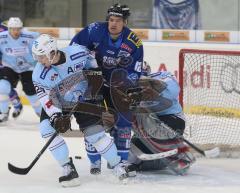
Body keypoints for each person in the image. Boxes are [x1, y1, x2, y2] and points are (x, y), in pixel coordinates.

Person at [31, 34, 133, 187]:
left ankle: (117, 165)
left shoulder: (77, 52)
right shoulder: (38, 74)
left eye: (42, 56)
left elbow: (92, 63)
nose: (39, 61)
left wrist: (95, 77)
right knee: (46, 128)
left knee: (95, 135)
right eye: (37, 57)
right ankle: (67, 168)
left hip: (84, 97)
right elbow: (46, 100)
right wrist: (56, 117)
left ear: (52, 52)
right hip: (59, 102)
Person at [70, 3, 144, 174]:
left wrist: (130, 90)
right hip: (92, 82)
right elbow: (73, 50)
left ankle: (120, 162)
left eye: (118, 20)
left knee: (124, 123)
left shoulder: (134, 42)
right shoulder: (94, 30)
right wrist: (84, 68)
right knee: (91, 121)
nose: (113, 24)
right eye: (111, 20)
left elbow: (134, 71)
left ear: (125, 22)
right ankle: (95, 162)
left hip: (117, 85)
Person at [126, 70, 196, 175]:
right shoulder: (131, 86)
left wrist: (153, 91)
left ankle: (180, 155)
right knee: (131, 156)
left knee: (145, 121)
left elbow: (174, 89)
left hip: (172, 120)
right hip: (149, 126)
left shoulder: (162, 76)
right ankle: (156, 160)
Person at [0, 17, 41, 122]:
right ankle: (3, 112)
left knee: (31, 91)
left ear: (21, 28)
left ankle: (41, 113)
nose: (15, 31)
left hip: (28, 67)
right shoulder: (1, 37)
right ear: (8, 29)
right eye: (13, 29)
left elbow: (40, 46)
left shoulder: (30, 36)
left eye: (18, 29)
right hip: (9, 66)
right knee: (2, 87)